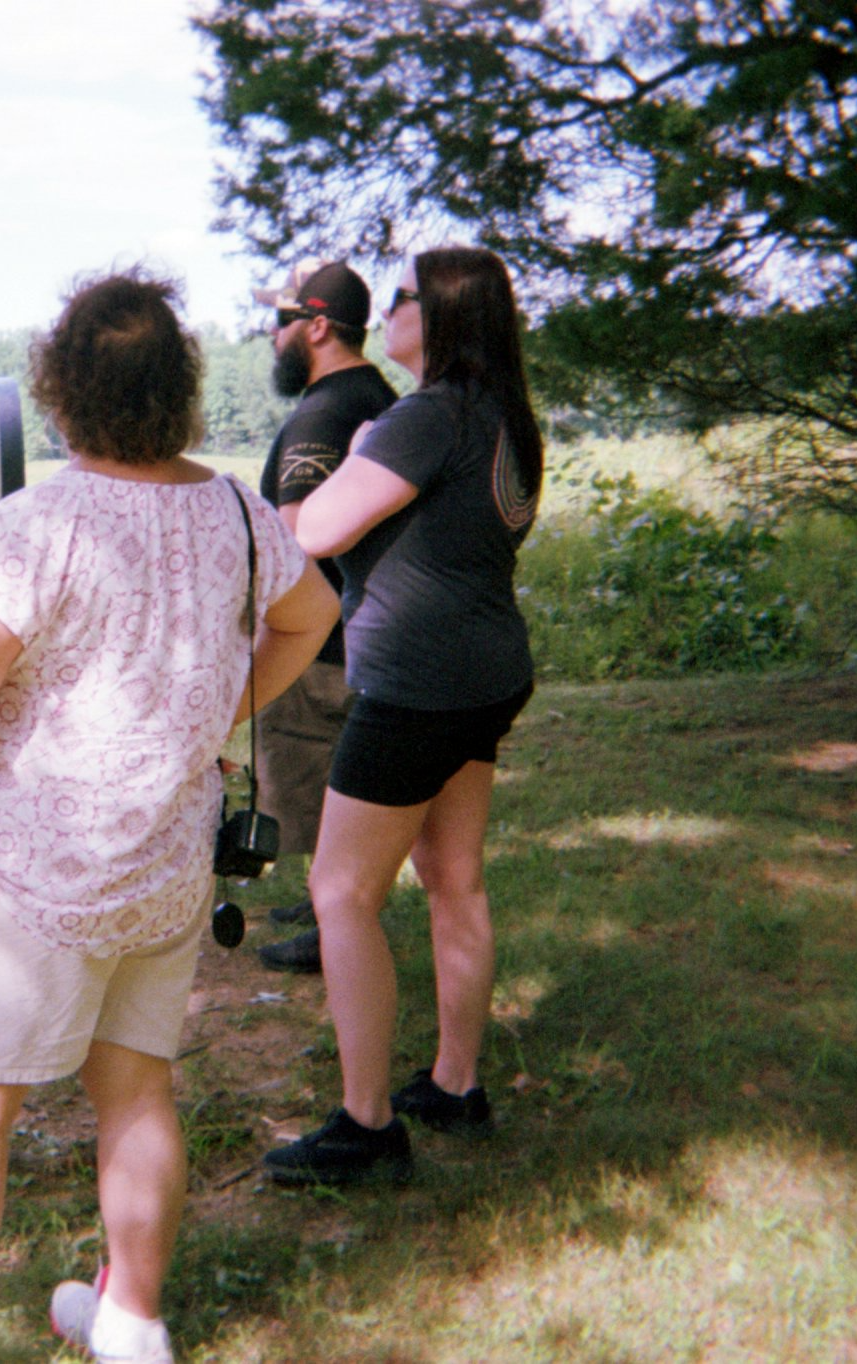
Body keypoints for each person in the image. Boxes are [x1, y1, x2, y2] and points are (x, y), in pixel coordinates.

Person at [0, 269, 338, 1364]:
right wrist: (215, 710)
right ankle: (131, 1321)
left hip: (24, 879)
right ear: (176, 385)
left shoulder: (31, 523)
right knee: (135, 1091)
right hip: (164, 866)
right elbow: (312, 615)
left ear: (63, 390)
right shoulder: (234, 508)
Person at [261, 246, 543, 1187]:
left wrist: (366, 450)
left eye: (406, 298)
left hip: (417, 686)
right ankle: (455, 1085)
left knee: (341, 893)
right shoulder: (502, 415)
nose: (389, 310)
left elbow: (311, 529)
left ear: (447, 314)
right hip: (489, 671)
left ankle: (366, 1125)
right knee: (454, 876)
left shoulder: (427, 417)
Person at [246, 262, 399, 975]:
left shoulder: (320, 412)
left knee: (315, 778)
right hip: (364, 628)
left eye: (280, 323)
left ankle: (329, 926)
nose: (270, 336)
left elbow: (296, 532)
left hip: (323, 642)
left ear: (315, 326)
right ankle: (322, 906)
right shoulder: (375, 396)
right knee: (339, 776)